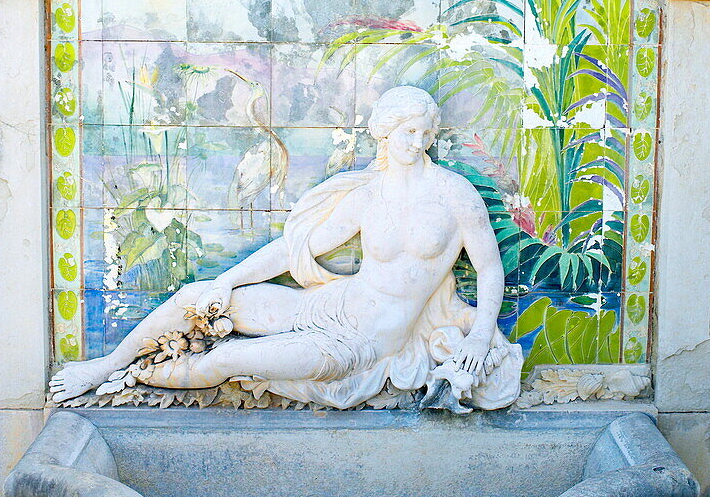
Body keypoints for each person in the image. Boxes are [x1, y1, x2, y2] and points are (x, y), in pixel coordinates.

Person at [50, 86, 522, 411]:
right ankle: (107, 368)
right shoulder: (368, 193)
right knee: (195, 298)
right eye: (406, 132)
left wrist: (481, 335)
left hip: (360, 343)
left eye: (424, 133)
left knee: (228, 360)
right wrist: (228, 279)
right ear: (384, 132)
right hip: (327, 305)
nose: (416, 142)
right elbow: (294, 249)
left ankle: (137, 380)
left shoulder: (453, 193)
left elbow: (488, 269)